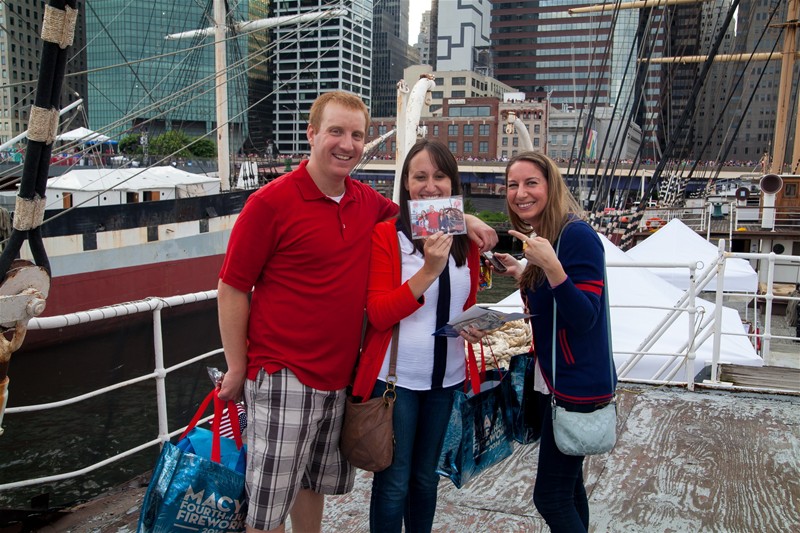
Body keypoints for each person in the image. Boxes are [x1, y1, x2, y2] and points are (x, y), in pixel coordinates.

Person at [216, 91, 497, 533]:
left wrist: (471, 220)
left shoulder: (366, 202)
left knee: (311, 486)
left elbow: (415, 213)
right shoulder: (270, 203)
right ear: (312, 134)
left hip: (342, 376)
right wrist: (236, 367)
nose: (347, 144)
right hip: (283, 372)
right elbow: (232, 287)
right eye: (336, 131)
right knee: (268, 507)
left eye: (357, 135)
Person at [351, 139, 489, 533]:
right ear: (406, 185)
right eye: (420, 177)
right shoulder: (387, 236)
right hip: (397, 382)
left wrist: (472, 327)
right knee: (395, 480)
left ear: (453, 183)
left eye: (440, 176)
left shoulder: (463, 239)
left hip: (446, 380)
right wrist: (428, 270)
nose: (430, 186)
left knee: (427, 478)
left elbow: (465, 303)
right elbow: (378, 314)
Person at [491, 151, 617, 532]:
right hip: (553, 380)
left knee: (550, 496)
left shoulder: (577, 236)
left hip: (577, 384)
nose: (521, 193)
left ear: (551, 187)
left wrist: (552, 267)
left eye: (531, 183)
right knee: (569, 488)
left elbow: (585, 316)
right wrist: (522, 272)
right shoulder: (545, 236)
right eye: (513, 185)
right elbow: (552, 306)